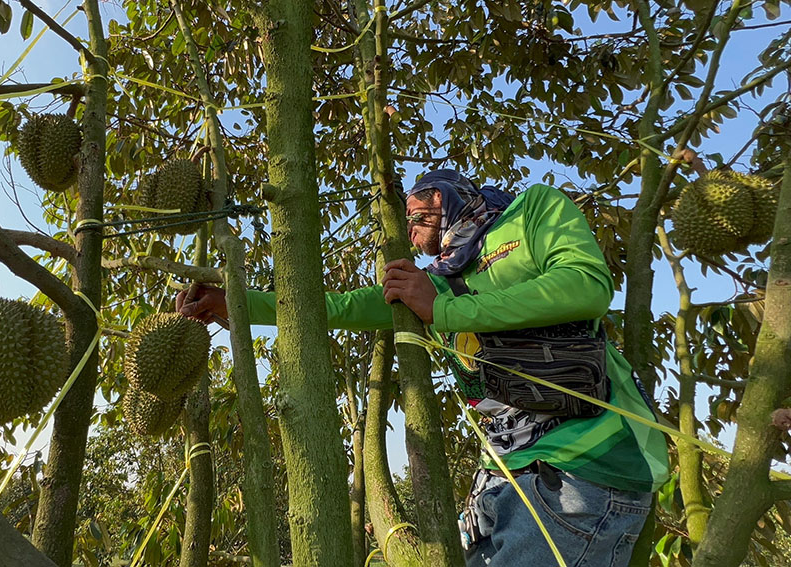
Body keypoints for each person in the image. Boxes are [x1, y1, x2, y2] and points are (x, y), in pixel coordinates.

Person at [177, 169, 669, 567]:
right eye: (406, 223)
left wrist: (447, 310)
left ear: (446, 194)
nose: (411, 230)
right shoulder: (436, 280)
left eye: (418, 210)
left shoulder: (532, 209)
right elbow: (336, 306)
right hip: (500, 476)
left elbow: (585, 285)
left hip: (585, 470)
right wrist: (235, 302)